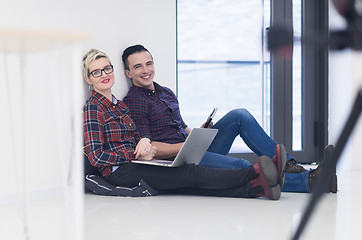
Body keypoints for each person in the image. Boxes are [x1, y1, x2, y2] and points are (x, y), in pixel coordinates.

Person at [122, 44, 337, 193]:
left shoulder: (165, 91)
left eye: (148, 63)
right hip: (180, 160)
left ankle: (291, 165)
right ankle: (311, 181)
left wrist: (199, 133)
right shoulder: (134, 101)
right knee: (243, 165)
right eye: (138, 67)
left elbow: (180, 126)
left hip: (193, 147)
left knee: (239, 115)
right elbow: (149, 147)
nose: (145, 70)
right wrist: (185, 146)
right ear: (128, 73)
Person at [82, 48, 286, 200]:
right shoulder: (94, 108)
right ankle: (258, 173)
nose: (105, 75)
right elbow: (96, 156)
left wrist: (144, 143)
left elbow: (137, 136)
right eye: (96, 72)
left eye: (107, 68)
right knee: (187, 173)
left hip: (138, 161)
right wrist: (135, 153)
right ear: (88, 79)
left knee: (188, 184)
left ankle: (257, 188)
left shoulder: (118, 105)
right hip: (120, 171)